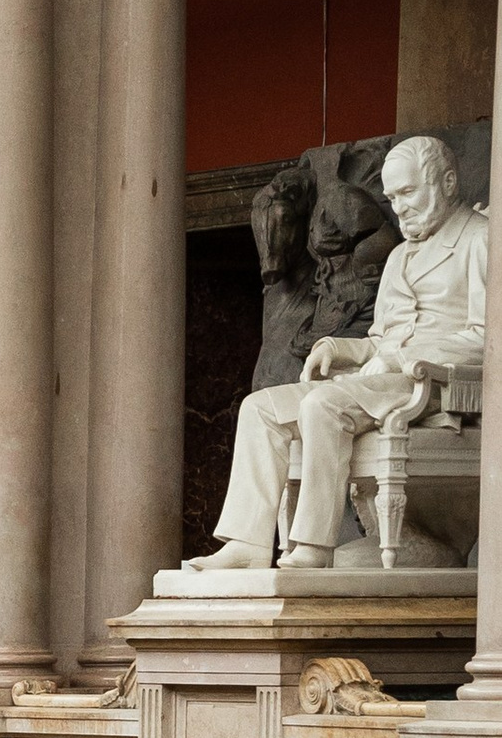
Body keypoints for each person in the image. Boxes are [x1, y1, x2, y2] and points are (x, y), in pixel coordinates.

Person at [194, 133, 487, 570]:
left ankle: (313, 545)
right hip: (381, 380)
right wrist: (338, 346)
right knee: (260, 408)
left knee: (323, 404)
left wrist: (408, 358)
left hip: (437, 386)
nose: (399, 206)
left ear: (446, 182)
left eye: (408, 193)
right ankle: (248, 545)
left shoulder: (482, 241)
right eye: (392, 197)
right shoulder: (401, 257)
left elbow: (489, 337)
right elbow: (381, 338)